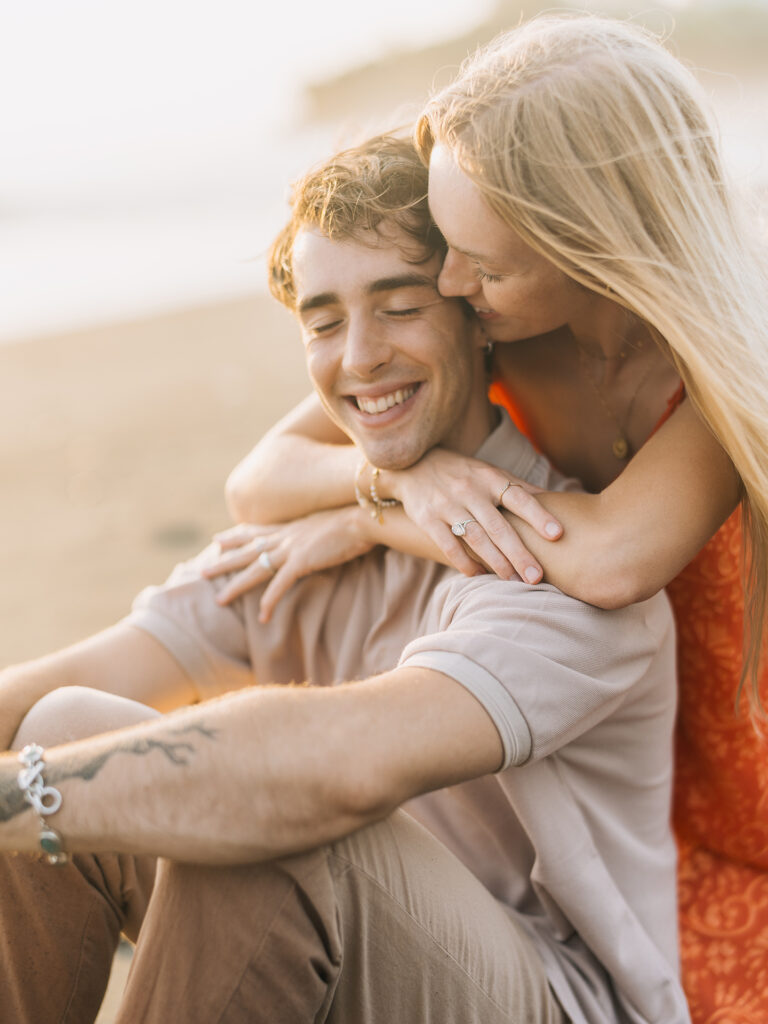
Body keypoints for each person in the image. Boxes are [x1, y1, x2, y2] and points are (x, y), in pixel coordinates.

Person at [0, 135, 686, 1024]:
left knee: (272, 827)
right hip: (341, 951)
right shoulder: (311, 539)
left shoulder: (555, 566)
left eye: (398, 307)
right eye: (324, 323)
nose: (359, 357)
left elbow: (334, 770)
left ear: (477, 318)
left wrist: (20, 802)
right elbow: (54, 686)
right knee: (60, 727)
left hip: (556, 999)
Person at [218, 16, 768, 1023]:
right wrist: (402, 481)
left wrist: (373, 519)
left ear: (588, 241)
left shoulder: (724, 369)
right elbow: (261, 479)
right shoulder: (505, 324)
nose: (451, 284)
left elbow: (608, 558)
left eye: (484, 262)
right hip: (641, 764)